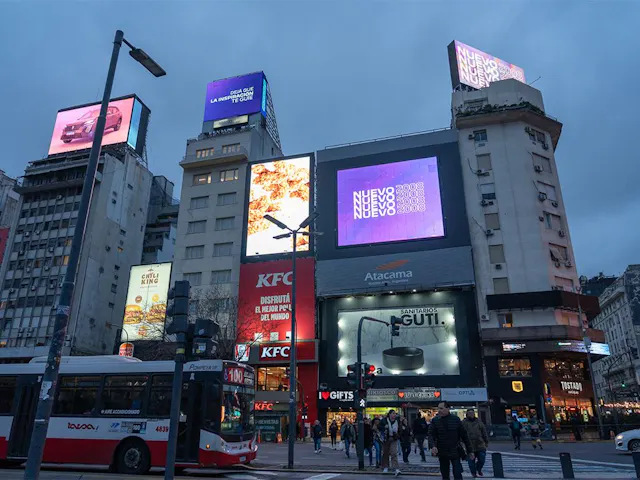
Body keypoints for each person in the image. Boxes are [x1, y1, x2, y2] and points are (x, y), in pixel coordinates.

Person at [429, 401, 472, 480]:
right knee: (445, 474)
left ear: (448, 408)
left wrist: (470, 451)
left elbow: (464, 436)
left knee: (457, 473)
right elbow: (431, 435)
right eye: (438, 408)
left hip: (455, 450)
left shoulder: (456, 419)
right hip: (442, 450)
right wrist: (433, 446)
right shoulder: (435, 420)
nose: (439, 410)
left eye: (441, 408)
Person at [462, 409, 488, 478]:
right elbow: (461, 433)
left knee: (482, 459)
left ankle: (478, 469)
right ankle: (473, 473)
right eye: (469, 413)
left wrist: (486, 441)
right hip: (469, 445)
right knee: (471, 461)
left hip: (480, 444)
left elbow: (484, 432)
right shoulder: (464, 423)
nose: (471, 415)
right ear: (467, 414)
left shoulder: (479, 422)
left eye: (472, 413)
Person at [380, 409, 401, 476]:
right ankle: (385, 467)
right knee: (386, 453)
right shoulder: (385, 420)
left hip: (394, 438)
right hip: (386, 439)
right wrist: (384, 427)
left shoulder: (397, 421)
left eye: (395, 414)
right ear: (389, 414)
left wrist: (398, 435)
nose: (394, 415)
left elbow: (400, 430)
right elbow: (379, 426)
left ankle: (396, 468)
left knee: (394, 453)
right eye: (392, 413)